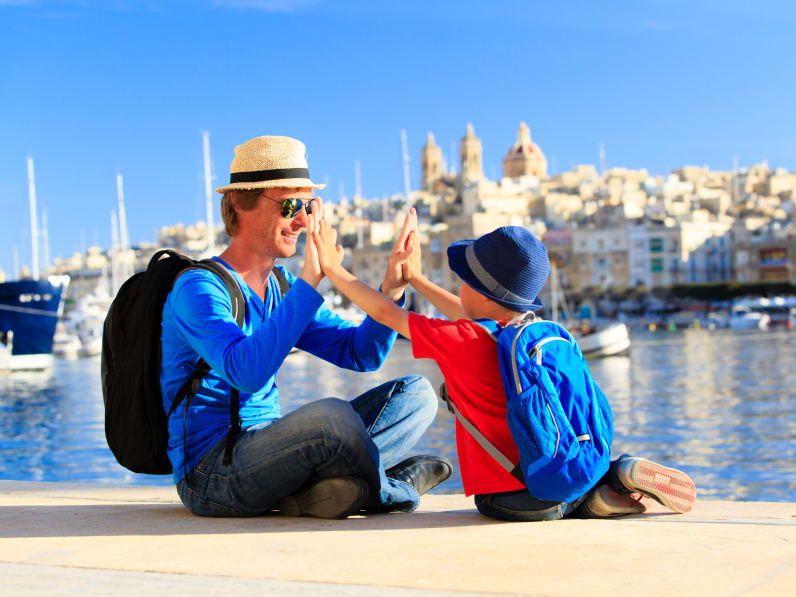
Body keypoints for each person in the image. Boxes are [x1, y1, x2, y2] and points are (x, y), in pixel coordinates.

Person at [312, 203, 697, 521]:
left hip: (512, 492)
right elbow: (464, 312)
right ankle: (614, 476)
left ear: (478, 290)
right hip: (557, 467)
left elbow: (383, 312)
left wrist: (332, 268)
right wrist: (413, 278)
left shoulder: (460, 340)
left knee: (490, 504)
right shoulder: (519, 332)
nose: (459, 287)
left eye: (464, 279)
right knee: (560, 477)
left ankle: (585, 502)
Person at [159, 135, 451, 519]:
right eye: (291, 205)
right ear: (239, 203)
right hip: (212, 474)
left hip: (270, 453)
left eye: (309, 206)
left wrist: (391, 290)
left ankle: (317, 492)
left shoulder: (280, 288)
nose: (302, 221)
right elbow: (245, 373)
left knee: (418, 394)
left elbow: (360, 353)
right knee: (332, 418)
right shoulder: (199, 288)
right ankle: (393, 488)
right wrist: (311, 281)